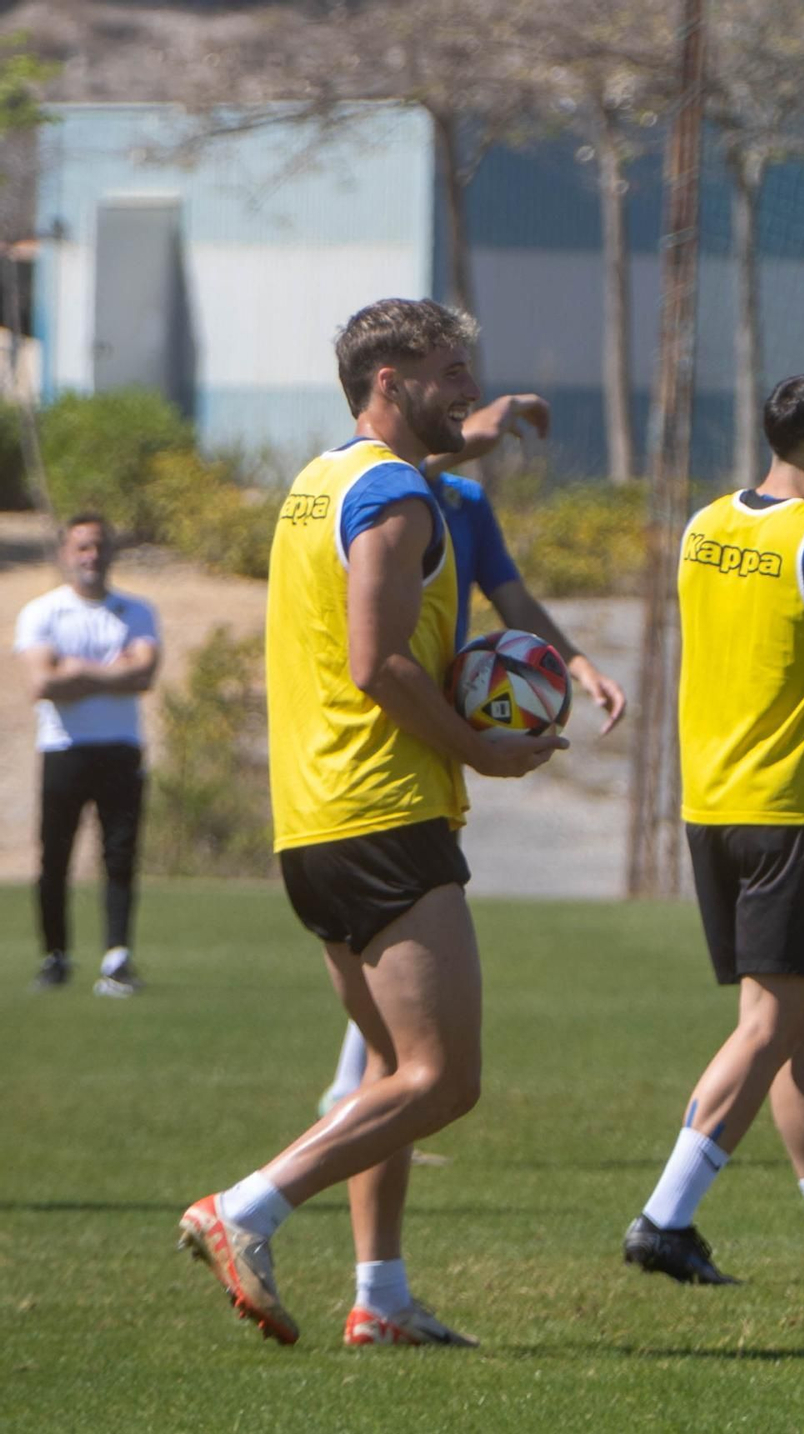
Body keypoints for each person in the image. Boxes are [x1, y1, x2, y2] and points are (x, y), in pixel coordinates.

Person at [177, 298, 566, 1347]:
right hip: (383, 812)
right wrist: (481, 745)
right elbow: (379, 663)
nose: (466, 390)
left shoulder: (321, 482)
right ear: (388, 379)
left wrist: (469, 439)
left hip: (312, 823)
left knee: (395, 1076)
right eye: (449, 372)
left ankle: (381, 1299)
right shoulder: (397, 498)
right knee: (443, 1079)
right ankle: (245, 1208)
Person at [622, 374, 804, 1284]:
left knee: (800, 1032)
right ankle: (666, 1216)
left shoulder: (705, 525)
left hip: (709, 806)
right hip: (788, 810)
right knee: (772, 1022)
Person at [316, 393, 626, 1114]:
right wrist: (479, 428)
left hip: (435, 743)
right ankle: (356, 1097)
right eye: (455, 398)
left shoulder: (462, 505)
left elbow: (514, 603)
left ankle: (362, 1091)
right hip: (372, 749)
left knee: (397, 949)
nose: (468, 421)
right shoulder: (369, 493)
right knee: (422, 1016)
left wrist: (576, 665)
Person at [15, 514, 159, 996]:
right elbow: (43, 682)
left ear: (111, 552)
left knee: (119, 856)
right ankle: (54, 955)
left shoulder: (135, 612)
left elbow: (143, 675)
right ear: (64, 554)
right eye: (81, 548)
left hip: (120, 749)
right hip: (64, 749)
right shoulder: (43, 613)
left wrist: (76, 670)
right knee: (54, 856)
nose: (90, 557)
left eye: (98, 546)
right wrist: (108, 671)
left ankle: (117, 958)